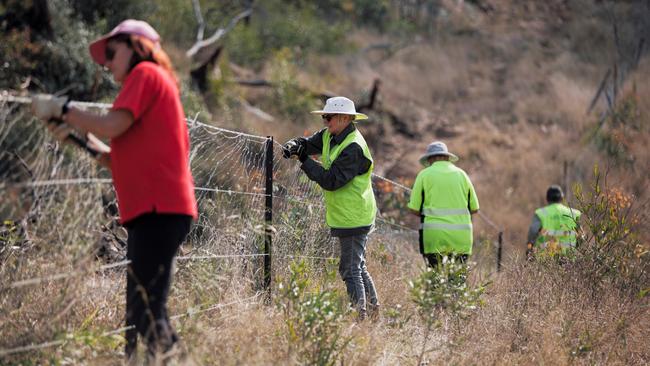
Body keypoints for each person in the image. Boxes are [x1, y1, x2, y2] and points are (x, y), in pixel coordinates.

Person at [30, 19, 197, 362]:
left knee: (147, 311)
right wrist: (75, 136)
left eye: (111, 51)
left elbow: (112, 125)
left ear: (136, 46)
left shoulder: (145, 74)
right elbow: (113, 157)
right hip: (155, 211)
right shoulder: (155, 83)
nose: (106, 62)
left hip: (158, 209)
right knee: (141, 310)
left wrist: (63, 109)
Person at [282, 96, 379, 320]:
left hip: (354, 215)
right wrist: (295, 145)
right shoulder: (331, 135)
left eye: (328, 117)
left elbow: (331, 180)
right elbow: (309, 143)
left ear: (345, 118)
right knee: (357, 267)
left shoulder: (353, 147)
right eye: (324, 117)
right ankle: (373, 314)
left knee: (350, 269)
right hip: (348, 214)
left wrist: (304, 159)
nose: (325, 121)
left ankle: (360, 318)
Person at [407, 142, 479, 268]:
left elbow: (414, 209)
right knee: (457, 283)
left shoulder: (424, 175)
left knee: (435, 281)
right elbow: (474, 208)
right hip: (461, 238)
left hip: (434, 238)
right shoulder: (462, 175)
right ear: (447, 157)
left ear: (430, 159)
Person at [526, 185, 581, 258]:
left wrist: (530, 247)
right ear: (562, 198)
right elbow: (581, 236)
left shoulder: (541, 213)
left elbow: (533, 231)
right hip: (569, 258)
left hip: (546, 259)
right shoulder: (574, 213)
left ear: (547, 198)